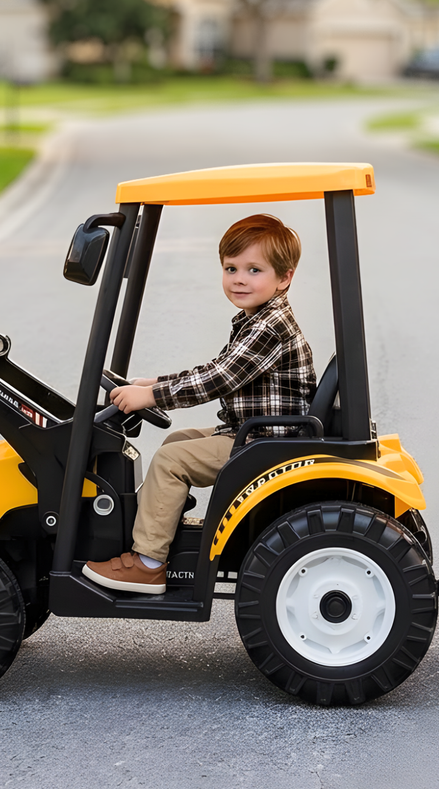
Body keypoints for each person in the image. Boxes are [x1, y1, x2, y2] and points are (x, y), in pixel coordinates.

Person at [82, 213, 315, 595]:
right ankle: (159, 528)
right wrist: (157, 382)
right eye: (231, 268)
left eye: (254, 270)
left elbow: (216, 381)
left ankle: (149, 563)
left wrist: (152, 396)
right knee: (178, 442)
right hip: (254, 431)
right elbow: (217, 367)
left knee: (172, 463)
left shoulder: (268, 327)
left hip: (267, 441)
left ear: (284, 278)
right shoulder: (256, 318)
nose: (239, 278)